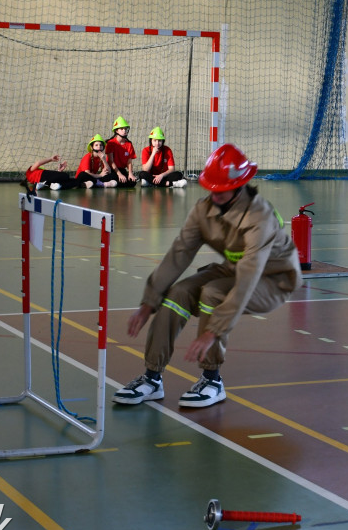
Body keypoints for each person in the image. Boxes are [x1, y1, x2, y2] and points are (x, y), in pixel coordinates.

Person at [113, 143, 303, 408]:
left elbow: (249, 276)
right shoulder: (204, 211)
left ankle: (212, 380)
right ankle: (152, 378)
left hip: (273, 278)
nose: (214, 194)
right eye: (211, 188)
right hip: (235, 268)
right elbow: (179, 253)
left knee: (213, 292)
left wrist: (214, 331)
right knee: (178, 292)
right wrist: (149, 301)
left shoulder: (260, 216)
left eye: (221, 189)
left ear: (239, 187)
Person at [22, 154, 92, 191]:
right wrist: (50, 159)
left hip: (43, 180)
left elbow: (52, 177)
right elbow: (38, 163)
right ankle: (49, 184)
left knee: (65, 182)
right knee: (65, 176)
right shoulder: (30, 171)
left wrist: (59, 171)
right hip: (43, 178)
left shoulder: (32, 178)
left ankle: (54, 185)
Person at [105, 116, 138, 187]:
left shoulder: (129, 144)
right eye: (122, 129)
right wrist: (119, 174)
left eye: (125, 129)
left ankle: (115, 183)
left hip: (122, 169)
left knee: (132, 182)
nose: (124, 130)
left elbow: (129, 162)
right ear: (116, 131)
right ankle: (109, 182)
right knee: (115, 178)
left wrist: (130, 173)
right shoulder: (111, 143)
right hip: (112, 170)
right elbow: (111, 161)